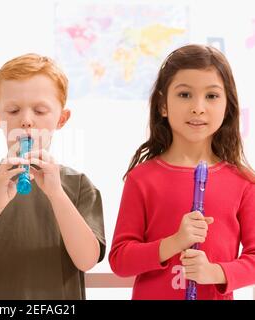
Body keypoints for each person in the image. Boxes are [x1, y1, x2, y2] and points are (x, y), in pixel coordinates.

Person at [0, 53, 105, 299]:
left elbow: (86, 260)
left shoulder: (80, 186)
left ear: (61, 119)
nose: (26, 121)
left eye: (40, 111)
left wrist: (57, 195)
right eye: (13, 110)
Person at [108, 44, 255, 300]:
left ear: (227, 107)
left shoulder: (242, 182)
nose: (198, 107)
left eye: (211, 96)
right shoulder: (142, 179)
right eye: (185, 94)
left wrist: (216, 272)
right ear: (163, 106)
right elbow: (120, 260)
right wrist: (174, 242)